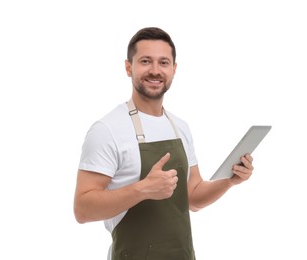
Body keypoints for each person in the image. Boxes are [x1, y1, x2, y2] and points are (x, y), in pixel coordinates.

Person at [73, 27, 254, 260]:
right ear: (129, 67)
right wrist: (141, 189)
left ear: (174, 69)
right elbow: (82, 209)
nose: (155, 71)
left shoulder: (180, 127)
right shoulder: (107, 130)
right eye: (146, 61)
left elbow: (193, 197)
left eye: (164, 62)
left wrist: (229, 181)